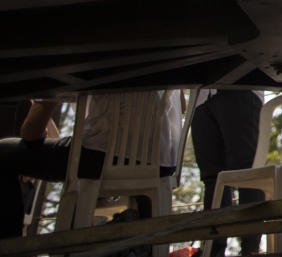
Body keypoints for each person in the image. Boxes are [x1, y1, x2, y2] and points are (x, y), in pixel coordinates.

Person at [0, 91, 182, 239]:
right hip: (163, 162)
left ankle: (8, 253)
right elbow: (182, 102)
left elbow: (31, 133)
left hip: (99, 158)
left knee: (4, 153)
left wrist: (39, 104)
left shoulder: (85, 55)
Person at [190, 88, 265, 257]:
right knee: (212, 178)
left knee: (246, 172)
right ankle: (214, 251)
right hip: (202, 97)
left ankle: (250, 250)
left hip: (240, 87)